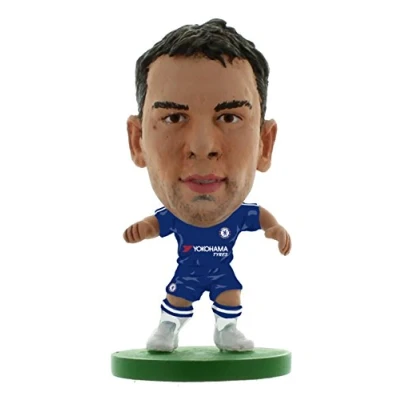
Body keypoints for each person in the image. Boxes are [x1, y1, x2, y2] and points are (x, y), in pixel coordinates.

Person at [123, 18, 291, 353]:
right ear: (137, 141)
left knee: (230, 294)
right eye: (173, 118)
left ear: (265, 144)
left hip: (220, 273)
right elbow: (155, 224)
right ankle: (168, 327)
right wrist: (141, 230)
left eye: (230, 117)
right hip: (187, 274)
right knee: (177, 298)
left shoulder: (239, 216)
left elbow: (261, 218)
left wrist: (275, 229)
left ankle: (226, 330)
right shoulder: (173, 218)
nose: (202, 147)